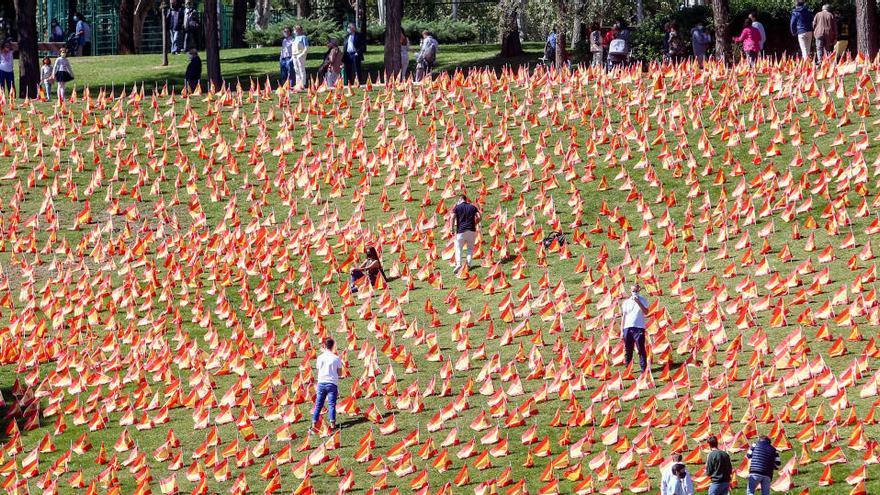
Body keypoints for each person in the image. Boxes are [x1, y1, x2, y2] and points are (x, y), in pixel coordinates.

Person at [311, 338, 343, 434]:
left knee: (318, 404)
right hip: (332, 384)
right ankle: (333, 425)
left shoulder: (320, 357)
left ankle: (314, 424)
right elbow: (340, 373)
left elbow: (318, 368)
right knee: (331, 404)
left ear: (324, 345)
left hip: (321, 383)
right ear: (333, 346)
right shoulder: (336, 358)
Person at [620, 283, 650, 372]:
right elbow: (624, 316)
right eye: (633, 291)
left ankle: (643, 368)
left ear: (639, 290)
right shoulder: (626, 302)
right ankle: (628, 368)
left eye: (636, 291)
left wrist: (638, 302)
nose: (635, 292)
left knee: (640, 348)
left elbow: (646, 312)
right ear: (630, 291)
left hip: (639, 327)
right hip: (627, 328)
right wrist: (622, 330)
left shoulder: (643, 300)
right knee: (628, 349)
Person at [452, 193, 480, 273]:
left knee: (458, 248)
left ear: (460, 199)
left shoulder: (457, 207)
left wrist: (452, 229)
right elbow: (479, 217)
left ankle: (458, 264)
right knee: (470, 249)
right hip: (471, 230)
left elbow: (452, 217)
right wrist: (475, 223)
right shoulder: (473, 207)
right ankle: (468, 265)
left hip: (461, 231)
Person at [290, 25, 309, 90]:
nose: (294, 31)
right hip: (294, 55)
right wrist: (292, 56)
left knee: (301, 69)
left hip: (300, 55)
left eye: (296, 30)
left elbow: (306, 47)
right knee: (296, 69)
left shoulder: (303, 37)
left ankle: (303, 84)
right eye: (294, 30)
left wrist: (302, 54)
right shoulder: (295, 38)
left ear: (299, 30)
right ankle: (298, 84)